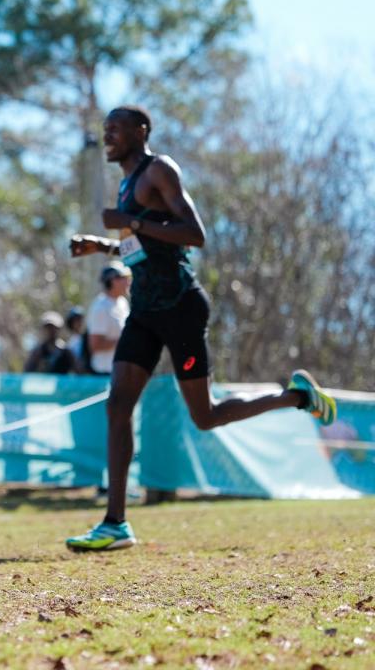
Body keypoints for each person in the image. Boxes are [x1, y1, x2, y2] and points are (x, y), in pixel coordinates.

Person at [65, 105, 336, 552]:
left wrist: (130, 221)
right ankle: (115, 523)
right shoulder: (128, 182)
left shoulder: (159, 170)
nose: (108, 135)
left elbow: (194, 233)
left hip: (180, 307)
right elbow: (147, 242)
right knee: (118, 406)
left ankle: (297, 396)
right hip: (145, 310)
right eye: (105, 129)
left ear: (141, 131)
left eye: (116, 128)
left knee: (205, 416)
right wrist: (104, 245)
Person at [86, 263, 132, 376]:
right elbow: (95, 345)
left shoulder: (122, 302)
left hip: (121, 370)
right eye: (123, 278)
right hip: (104, 373)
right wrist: (124, 341)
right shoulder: (100, 308)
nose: (128, 282)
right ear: (112, 281)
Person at [65, 307, 89, 374]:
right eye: (76, 320)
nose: (79, 322)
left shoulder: (88, 339)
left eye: (80, 319)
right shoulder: (69, 343)